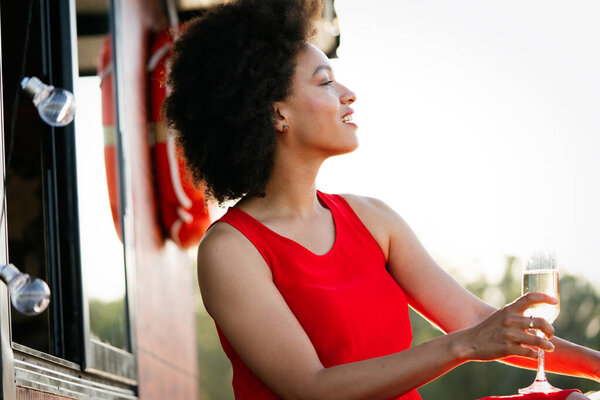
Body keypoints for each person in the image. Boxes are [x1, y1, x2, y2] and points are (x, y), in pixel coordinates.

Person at [163, 0, 600, 399]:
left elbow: (476, 322)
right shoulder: (230, 250)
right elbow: (312, 390)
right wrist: (466, 346)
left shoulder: (373, 219)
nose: (347, 93)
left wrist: (595, 366)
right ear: (278, 113)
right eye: (325, 83)